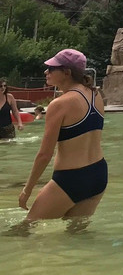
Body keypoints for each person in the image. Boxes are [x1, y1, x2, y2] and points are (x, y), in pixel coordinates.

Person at [19, 49, 108, 221]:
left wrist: (27, 190)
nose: (46, 72)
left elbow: (45, 154)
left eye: (51, 68)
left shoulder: (59, 104)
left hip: (71, 179)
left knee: (24, 230)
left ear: (66, 72)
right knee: (76, 236)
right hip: (98, 174)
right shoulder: (96, 95)